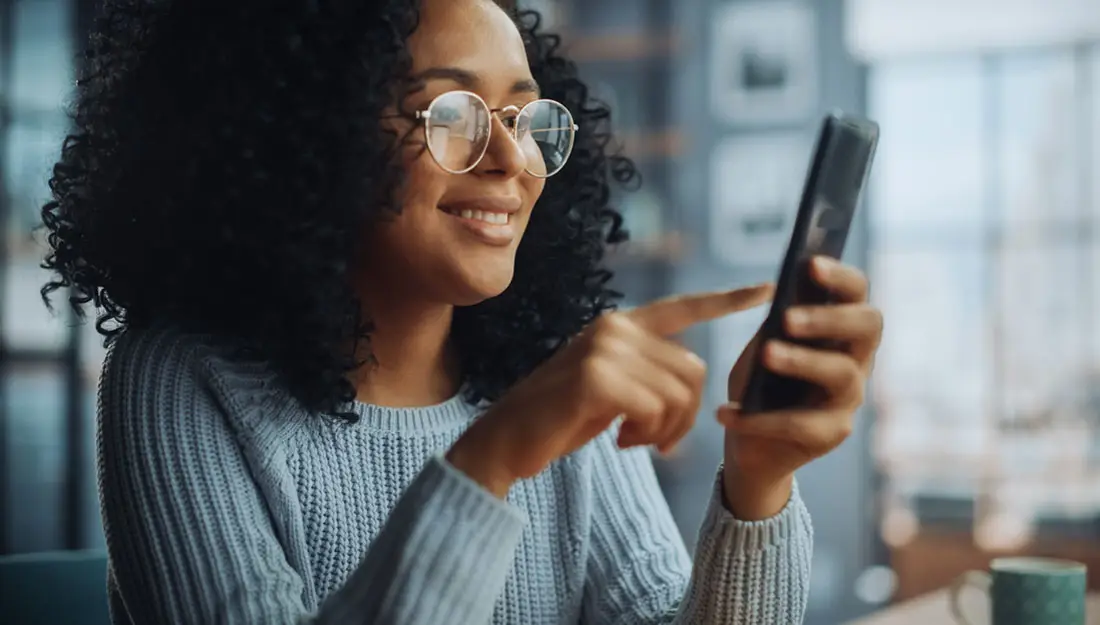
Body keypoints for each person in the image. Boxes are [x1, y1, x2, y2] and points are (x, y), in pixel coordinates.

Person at [39, 0, 883, 623]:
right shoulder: (181, 380)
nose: (513, 159)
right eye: (452, 114)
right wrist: (492, 459)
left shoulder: (552, 367)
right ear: (306, 132)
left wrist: (758, 480)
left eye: (524, 116)